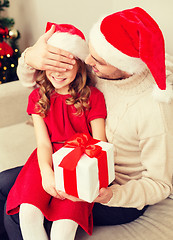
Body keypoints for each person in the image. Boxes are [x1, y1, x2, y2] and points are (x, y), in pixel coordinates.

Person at [1, 6, 173, 239]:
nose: (88, 59)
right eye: (90, 52)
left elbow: (160, 185)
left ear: (122, 65)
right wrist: (30, 56)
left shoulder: (153, 112)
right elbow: (35, 80)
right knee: (2, 185)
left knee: (16, 214)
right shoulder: (97, 72)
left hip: (115, 190)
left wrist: (110, 195)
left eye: (98, 60)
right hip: (70, 162)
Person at [5, 22, 108, 240]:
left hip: (80, 164)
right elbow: (43, 143)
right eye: (53, 64)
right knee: (28, 214)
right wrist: (47, 173)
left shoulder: (93, 97)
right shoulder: (37, 97)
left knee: (64, 228)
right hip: (46, 159)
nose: (58, 73)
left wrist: (83, 177)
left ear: (80, 66)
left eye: (66, 65)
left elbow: (99, 143)